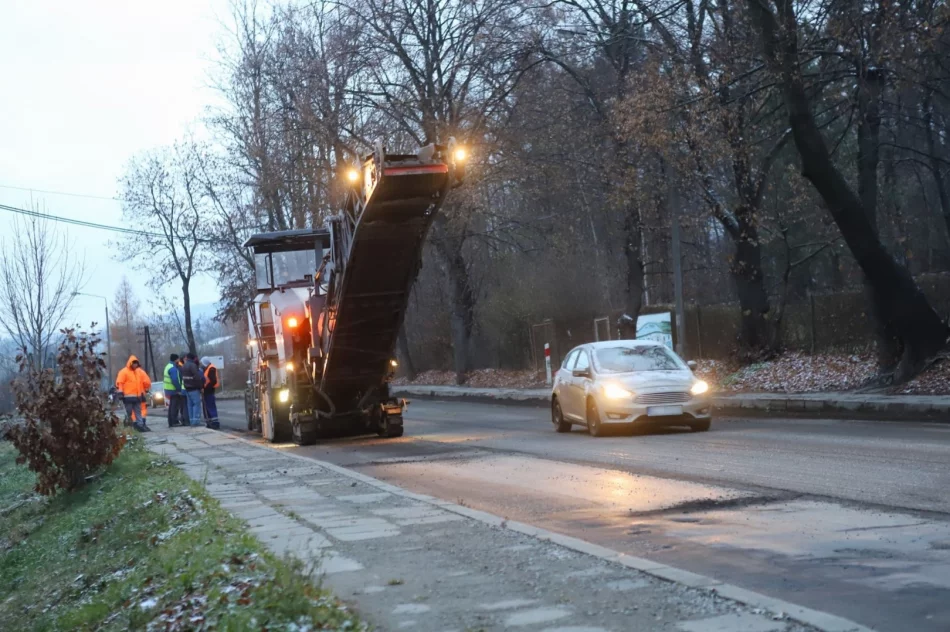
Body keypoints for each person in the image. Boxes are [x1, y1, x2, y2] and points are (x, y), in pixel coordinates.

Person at [116, 355, 150, 432]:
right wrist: (120, 393)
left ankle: (140, 425)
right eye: (134, 364)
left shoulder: (137, 373)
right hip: (128, 397)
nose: (136, 365)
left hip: (137, 397)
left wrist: (142, 393)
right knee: (129, 412)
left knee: (138, 411)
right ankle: (129, 425)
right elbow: (120, 383)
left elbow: (140, 384)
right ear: (131, 363)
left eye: (137, 364)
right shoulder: (123, 372)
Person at [181, 353, 204, 426]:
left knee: (190, 405)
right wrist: (201, 387)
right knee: (196, 405)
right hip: (194, 388)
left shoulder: (184, 365)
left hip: (187, 388)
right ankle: (196, 422)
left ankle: (191, 421)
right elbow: (197, 377)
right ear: (193, 358)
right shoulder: (193, 365)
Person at [163, 353, 185, 428]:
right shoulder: (173, 368)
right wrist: (179, 389)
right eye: (178, 359)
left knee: (171, 406)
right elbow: (175, 380)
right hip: (173, 390)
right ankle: (174, 421)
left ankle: (171, 421)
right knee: (174, 407)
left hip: (168, 390)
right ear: (176, 359)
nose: (179, 360)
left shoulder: (167, 366)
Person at [200, 356, 220, 430]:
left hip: (209, 390)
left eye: (202, 363)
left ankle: (215, 422)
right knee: (207, 406)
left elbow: (213, 380)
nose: (201, 364)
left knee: (210, 406)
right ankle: (210, 422)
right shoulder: (207, 368)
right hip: (207, 390)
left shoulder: (211, 368)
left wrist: (206, 387)